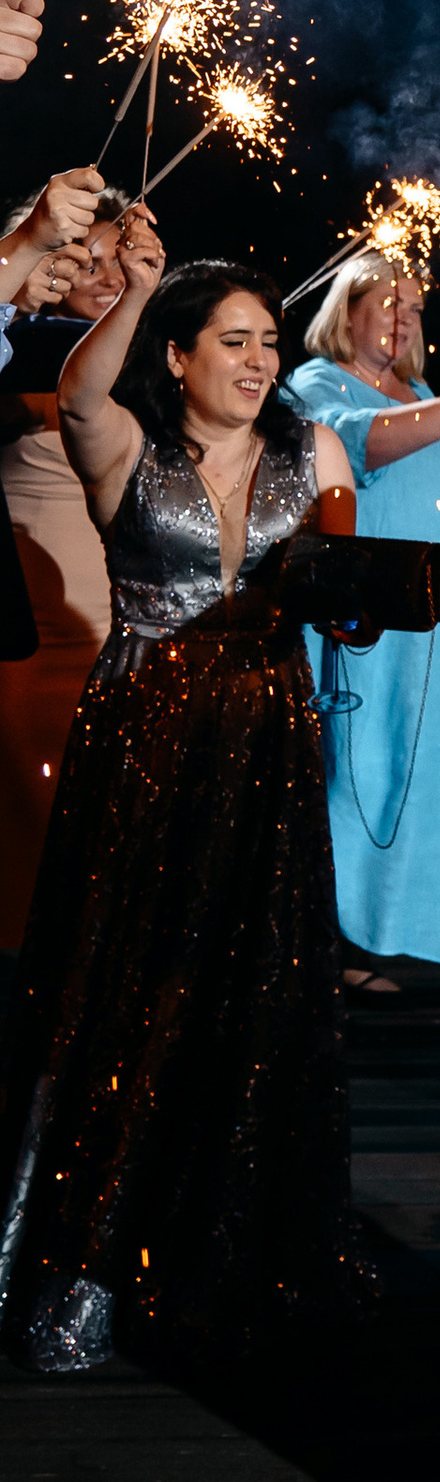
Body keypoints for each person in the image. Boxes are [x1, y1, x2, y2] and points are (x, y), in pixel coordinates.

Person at [0, 229, 374, 1373]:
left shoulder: (315, 449)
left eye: (270, 343)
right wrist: (143, 289)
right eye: (235, 342)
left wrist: (359, 607)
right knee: (122, 985)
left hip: (264, 736)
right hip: (144, 737)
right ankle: (79, 1262)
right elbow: (79, 389)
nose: (260, 361)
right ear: (179, 355)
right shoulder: (124, 444)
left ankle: (230, 1259)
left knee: (249, 990)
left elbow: (343, 583)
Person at [286, 253, 440, 987]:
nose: (405, 318)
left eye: (415, 307)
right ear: (347, 311)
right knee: (357, 762)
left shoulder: (425, 391)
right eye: (389, 303)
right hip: (366, 613)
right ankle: (326, 939)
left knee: (430, 767)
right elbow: (355, 443)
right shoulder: (316, 382)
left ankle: (389, 930)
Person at [0, 176, 125, 951]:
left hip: (116, 625)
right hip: (30, 625)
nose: (108, 277)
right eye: (91, 259)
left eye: (119, 261)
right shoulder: (23, 348)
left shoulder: (142, 363)